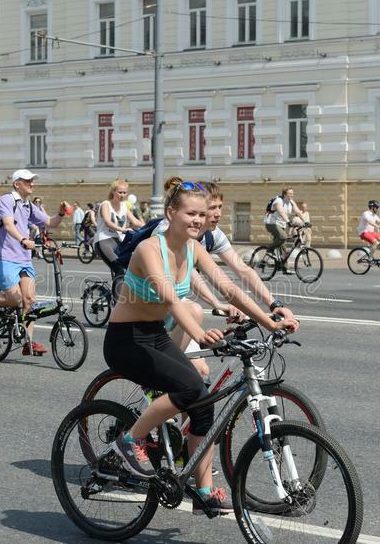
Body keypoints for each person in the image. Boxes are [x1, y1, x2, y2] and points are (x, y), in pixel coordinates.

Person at [105, 180, 297, 515]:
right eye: (190, 213)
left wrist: (271, 320)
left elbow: (229, 288)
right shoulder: (150, 249)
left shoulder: (194, 249)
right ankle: (130, 440)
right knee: (189, 387)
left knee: (203, 400)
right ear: (171, 213)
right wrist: (199, 332)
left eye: (201, 214)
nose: (197, 220)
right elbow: (169, 296)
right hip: (126, 339)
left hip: (155, 334)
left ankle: (204, 489)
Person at [152, 180, 300, 377]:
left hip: (177, 301)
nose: (218, 213)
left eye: (220, 207)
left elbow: (243, 271)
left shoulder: (211, 235)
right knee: (181, 373)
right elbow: (192, 275)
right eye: (212, 208)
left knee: (201, 372)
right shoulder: (170, 231)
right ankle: (157, 383)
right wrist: (217, 303)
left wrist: (274, 305)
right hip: (153, 303)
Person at [0, 169, 70, 356]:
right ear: (16, 184)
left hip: (24, 259)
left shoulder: (28, 205)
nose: (32, 184)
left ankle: (28, 342)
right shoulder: (7, 201)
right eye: (28, 181)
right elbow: (8, 224)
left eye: (32, 181)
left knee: (29, 301)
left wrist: (60, 214)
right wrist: (23, 240)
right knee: (16, 299)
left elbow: (50, 222)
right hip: (5, 257)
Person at [93, 178, 145, 296]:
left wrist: (151, 228)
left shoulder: (124, 207)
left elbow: (136, 222)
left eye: (124, 193)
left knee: (131, 270)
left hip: (118, 242)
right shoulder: (106, 204)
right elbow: (107, 221)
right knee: (120, 269)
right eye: (119, 192)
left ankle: (124, 295)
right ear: (113, 192)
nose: (122, 195)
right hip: (104, 241)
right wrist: (122, 229)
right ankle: (118, 304)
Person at [263, 187, 309, 263]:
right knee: (283, 236)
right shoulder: (278, 201)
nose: (292, 195)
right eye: (290, 194)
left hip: (281, 224)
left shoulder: (291, 202)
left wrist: (305, 222)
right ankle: (270, 250)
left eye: (293, 193)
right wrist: (288, 222)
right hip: (271, 223)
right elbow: (281, 212)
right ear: (284, 194)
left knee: (284, 250)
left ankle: (284, 268)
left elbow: (298, 212)